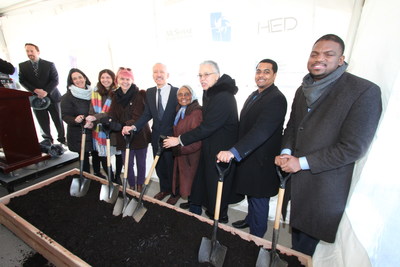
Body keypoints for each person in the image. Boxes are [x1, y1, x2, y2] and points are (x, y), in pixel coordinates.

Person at [275, 34, 382, 256]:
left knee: (310, 249)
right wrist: (286, 152)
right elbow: (294, 127)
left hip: (322, 189)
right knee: (298, 242)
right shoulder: (303, 89)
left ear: (341, 59)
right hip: (297, 184)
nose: (319, 58)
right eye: (314, 53)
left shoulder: (363, 91)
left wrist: (301, 163)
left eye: (328, 54)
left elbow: (353, 147)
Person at [163, 60, 242, 223]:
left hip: (221, 150)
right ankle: (199, 207)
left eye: (207, 74)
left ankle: (220, 218)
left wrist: (179, 140)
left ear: (217, 76)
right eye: (200, 75)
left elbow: (208, 127)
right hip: (210, 146)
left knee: (217, 187)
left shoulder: (224, 97)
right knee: (202, 182)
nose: (202, 78)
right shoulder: (211, 92)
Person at [216, 59, 287, 237]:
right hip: (249, 157)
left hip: (262, 160)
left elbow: (261, 131)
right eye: (258, 71)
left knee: (258, 198)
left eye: (266, 71)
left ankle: (257, 238)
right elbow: (245, 125)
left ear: (274, 75)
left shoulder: (277, 99)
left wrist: (234, 152)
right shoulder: (254, 95)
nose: (261, 75)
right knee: (250, 194)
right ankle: (250, 219)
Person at [122, 63, 179, 204]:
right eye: (155, 72)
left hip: (171, 137)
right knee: (159, 165)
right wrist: (133, 127)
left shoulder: (177, 92)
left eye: (161, 72)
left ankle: (175, 192)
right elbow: (147, 114)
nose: (158, 74)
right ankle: (164, 189)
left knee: (172, 166)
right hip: (156, 136)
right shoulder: (150, 92)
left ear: (168, 75)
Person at [110, 68, 151, 192]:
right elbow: (112, 114)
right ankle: (131, 185)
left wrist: (128, 125)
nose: (125, 82)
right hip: (123, 136)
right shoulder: (115, 96)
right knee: (127, 164)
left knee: (141, 163)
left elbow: (138, 115)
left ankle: (140, 185)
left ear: (132, 80)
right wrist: (111, 122)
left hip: (139, 134)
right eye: (122, 79)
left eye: (128, 79)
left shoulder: (140, 94)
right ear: (117, 80)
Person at [19, 43, 65, 145]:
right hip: (36, 99)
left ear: (38, 52)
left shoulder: (49, 64)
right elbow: (22, 81)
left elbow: (55, 80)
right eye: (27, 51)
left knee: (58, 119)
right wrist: (35, 90)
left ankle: (62, 139)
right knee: (42, 122)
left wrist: (45, 91)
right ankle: (48, 141)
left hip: (52, 97)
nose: (29, 53)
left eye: (32, 51)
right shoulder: (22, 66)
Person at [169, 85, 202, 209]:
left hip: (192, 154)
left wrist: (180, 148)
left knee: (193, 181)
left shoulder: (196, 112)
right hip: (183, 153)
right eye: (180, 94)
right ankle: (190, 201)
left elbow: (197, 138)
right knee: (187, 181)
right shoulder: (181, 110)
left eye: (186, 94)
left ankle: (195, 209)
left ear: (192, 95)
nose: (183, 97)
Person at [85, 69, 121, 180]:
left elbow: (112, 112)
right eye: (103, 77)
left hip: (114, 129)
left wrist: (95, 117)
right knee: (104, 157)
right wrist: (90, 121)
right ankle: (110, 177)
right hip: (100, 130)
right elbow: (91, 111)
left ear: (113, 79)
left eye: (108, 77)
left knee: (119, 155)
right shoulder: (95, 92)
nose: (105, 80)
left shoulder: (118, 92)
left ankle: (118, 176)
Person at [61, 68, 93, 173]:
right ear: (71, 81)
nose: (78, 80)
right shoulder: (67, 97)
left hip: (93, 130)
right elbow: (65, 116)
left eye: (80, 77)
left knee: (97, 155)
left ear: (85, 78)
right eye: (75, 79)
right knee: (84, 158)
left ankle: (98, 177)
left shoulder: (93, 93)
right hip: (78, 133)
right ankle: (86, 177)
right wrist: (75, 120)